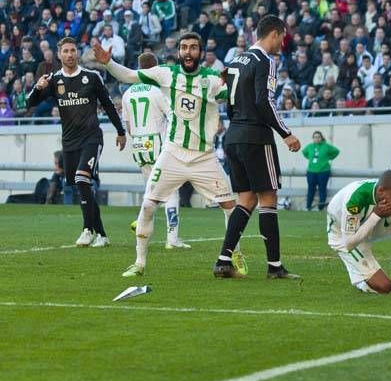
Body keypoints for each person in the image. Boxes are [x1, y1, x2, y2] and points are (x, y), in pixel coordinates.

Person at [93, 33, 236, 277]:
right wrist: (109, 63)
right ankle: (139, 263)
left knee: (230, 206)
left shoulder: (212, 79)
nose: (188, 52)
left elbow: (234, 96)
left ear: (200, 52)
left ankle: (233, 256)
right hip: (172, 153)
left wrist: (233, 82)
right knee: (148, 205)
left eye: (193, 48)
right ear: (179, 52)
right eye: (183, 48)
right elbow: (129, 75)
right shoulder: (166, 73)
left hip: (204, 156)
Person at [214, 15, 302, 279]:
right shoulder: (266, 61)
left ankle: (223, 261)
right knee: (268, 198)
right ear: (273, 34)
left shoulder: (234, 61)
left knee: (246, 199)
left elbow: (228, 102)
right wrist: (286, 133)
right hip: (255, 136)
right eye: (282, 37)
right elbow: (265, 102)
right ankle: (274, 267)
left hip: (234, 136)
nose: (282, 44)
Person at [28, 37, 126, 247]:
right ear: (59, 55)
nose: (70, 54)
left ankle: (87, 229)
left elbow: (108, 105)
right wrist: (38, 87)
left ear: (78, 54)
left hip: (92, 138)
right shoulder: (54, 79)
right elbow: (31, 103)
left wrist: (120, 131)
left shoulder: (91, 76)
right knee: (83, 187)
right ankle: (102, 234)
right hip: (70, 142)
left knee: (82, 180)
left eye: (73, 50)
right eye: (66, 51)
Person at [122, 52, 189, 249]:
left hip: (138, 145)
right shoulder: (158, 91)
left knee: (151, 189)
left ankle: (141, 222)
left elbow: (128, 126)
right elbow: (173, 117)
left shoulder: (128, 93)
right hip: (157, 142)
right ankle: (172, 239)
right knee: (172, 190)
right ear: (155, 68)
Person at [302, 130, 340, 211]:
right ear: (313, 138)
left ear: (321, 138)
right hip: (311, 171)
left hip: (323, 171)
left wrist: (329, 158)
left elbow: (336, 151)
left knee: (322, 189)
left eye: (318, 137)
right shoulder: (310, 146)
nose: (317, 139)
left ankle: (320, 207)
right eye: (315, 137)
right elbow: (304, 152)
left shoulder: (326, 146)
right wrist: (310, 158)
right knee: (311, 189)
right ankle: (308, 207)